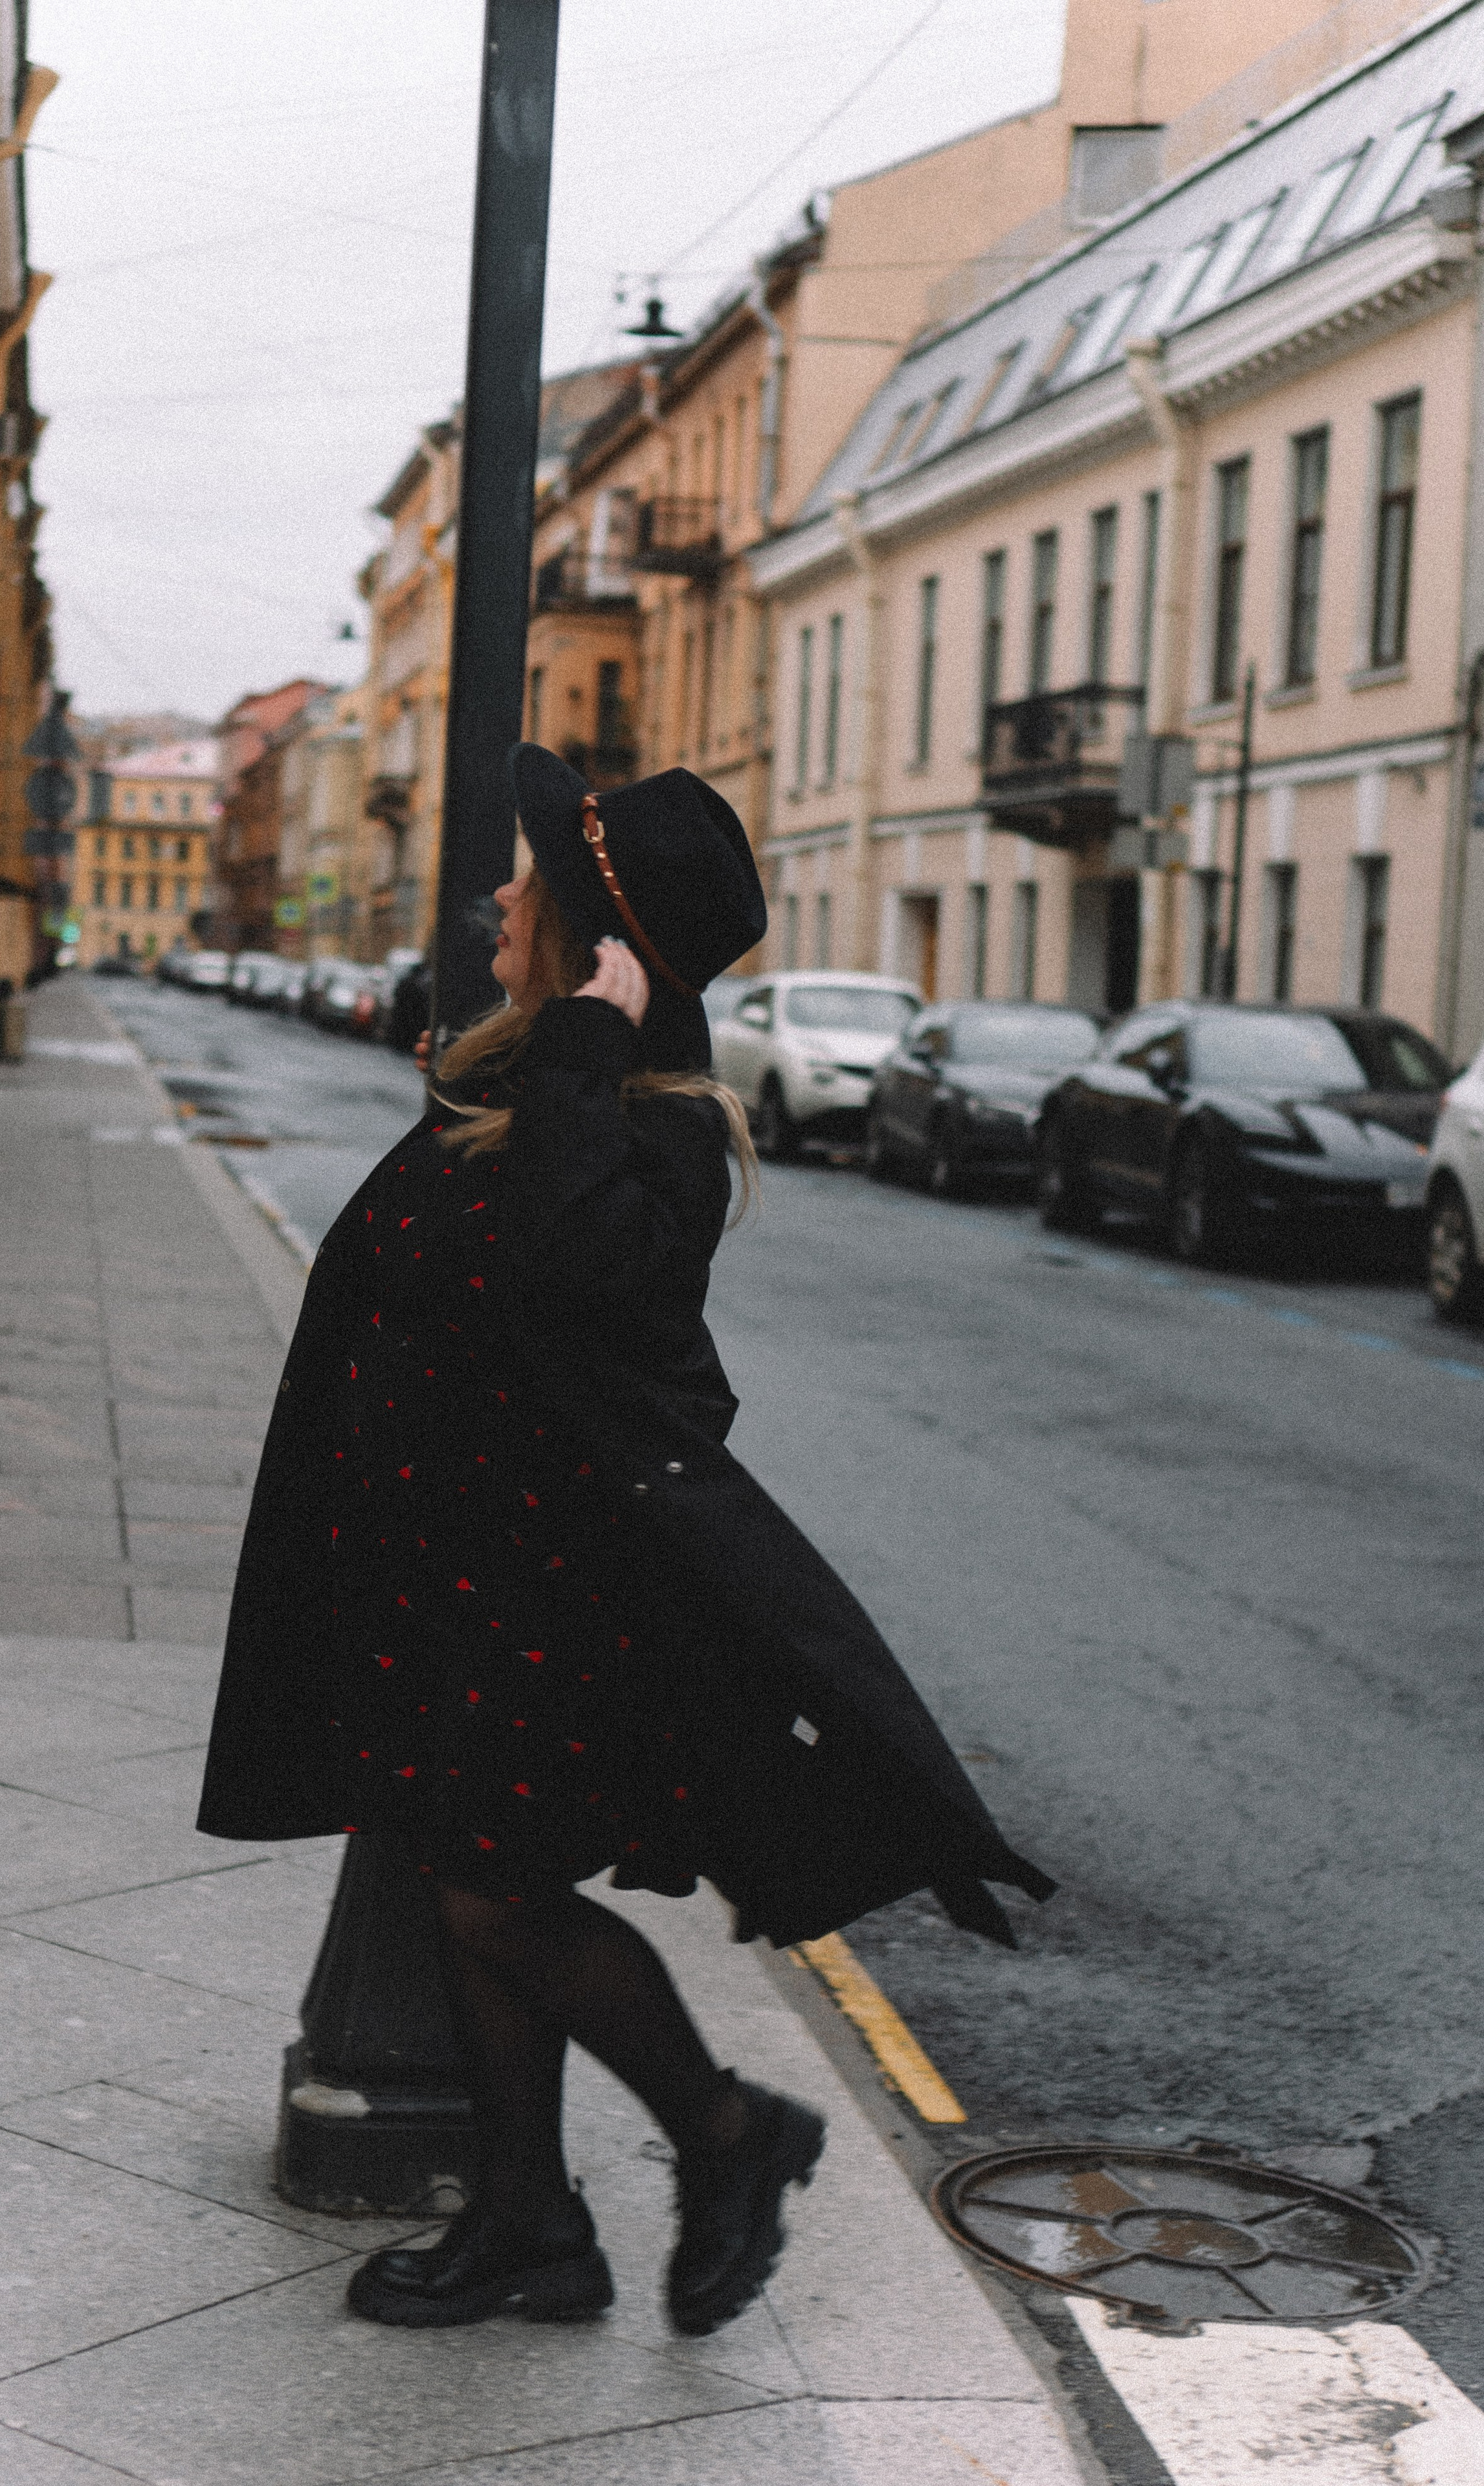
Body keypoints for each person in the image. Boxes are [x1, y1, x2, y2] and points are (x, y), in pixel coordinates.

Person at [197, 746, 1052, 2335]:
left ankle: (729, 2135)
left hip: (543, 1588)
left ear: (604, 937)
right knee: (463, 1875)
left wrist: (586, 1047)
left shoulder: (644, 1125)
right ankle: (531, 2224)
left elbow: (569, 1285)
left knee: (494, 1895)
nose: (500, 893)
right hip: (445, 1575)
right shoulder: (530, 1081)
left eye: (535, 878)